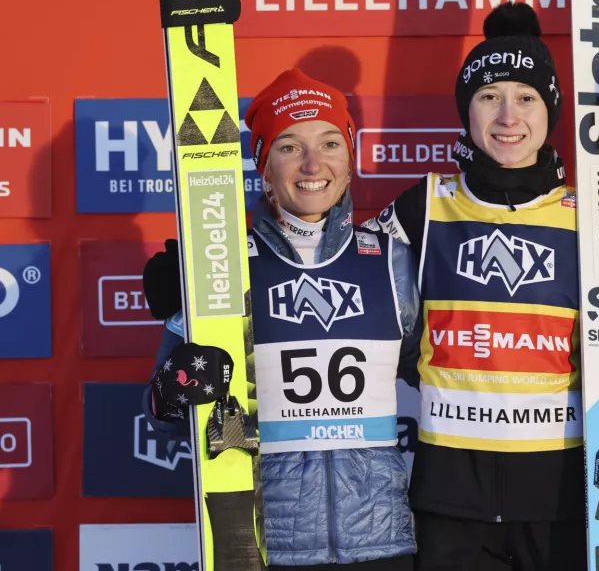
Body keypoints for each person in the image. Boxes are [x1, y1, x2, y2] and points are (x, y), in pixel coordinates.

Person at [140, 69, 419, 570]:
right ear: (264, 168)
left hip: (384, 544)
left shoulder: (392, 261)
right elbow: (159, 412)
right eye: (290, 147)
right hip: (271, 548)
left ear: (350, 157)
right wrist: (179, 385)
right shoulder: (222, 269)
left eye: (330, 142)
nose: (314, 163)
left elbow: (443, 376)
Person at [362, 2, 585, 570]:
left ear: (550, 108)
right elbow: (341, 276)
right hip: (448, 494)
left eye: (527, 98)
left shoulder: (590, 217)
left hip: (559, 494)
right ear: (467, 110)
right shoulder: (427, 204)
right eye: (490, 97)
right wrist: (201, 292)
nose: (508, 116)